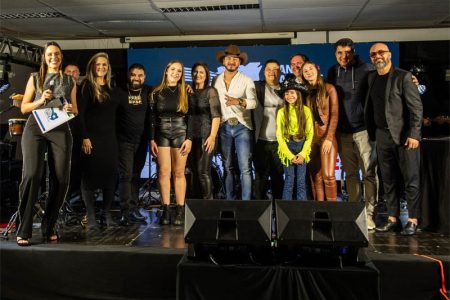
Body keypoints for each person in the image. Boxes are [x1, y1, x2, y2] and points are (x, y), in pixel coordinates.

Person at [16, 41, 77, 246]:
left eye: (57, 54)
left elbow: (74, 111)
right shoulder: (35, 78)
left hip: (60, 128)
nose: (54, 57)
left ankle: (48, 225)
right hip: (36, 127)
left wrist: (69, 107)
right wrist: (41, 100)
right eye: (50, 54)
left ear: (61, 57)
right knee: (32, 174)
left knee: (61, 180)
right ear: (44, 57)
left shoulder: (69, 80)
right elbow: (24, 108)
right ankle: (23, 228)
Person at [365, 43, 423, 236]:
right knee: (388, 179)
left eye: (381, 52)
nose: (377, 56)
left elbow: (416, 108)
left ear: (389, 55)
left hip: (405, 136)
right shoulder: (371, 77)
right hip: (381, 135)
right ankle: (393, 219)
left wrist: (414, 134)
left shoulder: (404, 77)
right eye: (373, 54)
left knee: (410, 179)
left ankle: (413, 220)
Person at [327, 38, 378, 229]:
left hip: (364, 130)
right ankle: (355, 213)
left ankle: (369, 214)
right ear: (335, 54)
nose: (344, 56)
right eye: (340, 53)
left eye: (347, 52)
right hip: (342, 132)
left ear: (353, 51)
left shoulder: (366, 69)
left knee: (369, 173)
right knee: (349, 175)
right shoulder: (333, 71)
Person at [78, 52, 121, 229]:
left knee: (110, 177)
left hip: (109, 139)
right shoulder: (86, 86)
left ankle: (106, 214)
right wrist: (85, 137)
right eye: (98, 65)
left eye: (104, 65)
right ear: (92, 67)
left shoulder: (112, 87)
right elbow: (80, 115)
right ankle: (91, 216)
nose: (101, 68)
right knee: (89, 178)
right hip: (92, 138)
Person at [150, 60, 192, 225]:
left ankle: (180, 211)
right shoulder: (156, 92)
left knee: (179, 173)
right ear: (166, 71)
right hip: (161, 133)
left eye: (179, 71)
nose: (176, 73)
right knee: (163, 172)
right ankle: (166, 209)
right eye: (173, 69)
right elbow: (152, 117)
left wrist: (189, 139)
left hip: (181, 132)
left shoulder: (186, 92)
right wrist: (151, 138)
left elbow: (192, 118)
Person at [213, 44, 257, 200]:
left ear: (240, 62)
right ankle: (230, 201)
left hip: (242, 127)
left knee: (245, 168)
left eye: (235, 59)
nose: (231, 61)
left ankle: (246, 203)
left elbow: (254, 103)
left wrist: (239, 101)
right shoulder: (216, 80)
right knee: (227, 167)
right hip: (223, 127)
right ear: (223, 61)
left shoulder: (247, 80)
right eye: (228, 58)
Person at [117, 63, 151, 226]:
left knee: (135, 176)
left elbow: (166, 88)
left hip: (141, 141)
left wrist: (187, 89)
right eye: (133, 75)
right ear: (128, 76)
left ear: (144, 77)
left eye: (139, 75)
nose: (136, 78)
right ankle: (125, 212)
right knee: (125, 175)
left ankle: (134, 209)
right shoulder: (120, 91)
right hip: (124, 141)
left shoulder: (148, 91)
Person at [302, 61, 339, 201]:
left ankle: (332, 211)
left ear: (317, 69)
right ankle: (319, 212)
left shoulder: (329, 88)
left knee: (328, 176)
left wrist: (329, 138)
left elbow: (334, 114)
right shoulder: (304, 91)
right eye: (305, 71)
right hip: (311, 139)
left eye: (310, 69)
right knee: (315, 177)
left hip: (326, 137)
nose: (308, 72)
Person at [275, 77, 314, 200]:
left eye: (292, 92)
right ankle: (285, 212)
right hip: (288, 147)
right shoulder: (281, 112)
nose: (289, 96)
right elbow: (279, 136)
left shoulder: (306, 111)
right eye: (286, 93)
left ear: (298, 94)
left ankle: (301, 213)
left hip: (302, 146)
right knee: (289, 180)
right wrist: (290, 155)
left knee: (301, 181)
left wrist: (302, 154)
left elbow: (310, 134)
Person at [188, 62, 221, 200]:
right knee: (194, 171)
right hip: (190, 137)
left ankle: (209, 204)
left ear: (206, 75)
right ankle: (195, 205)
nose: (198, 74)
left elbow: (216, 116)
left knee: (203, 171)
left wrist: (212, 137)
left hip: (206, 136)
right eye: (195, 71)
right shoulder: (188, 92)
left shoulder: (211, 91)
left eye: (201, 72)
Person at [252, 59, 284, 200]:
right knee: (260, 176)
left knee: (278, 175)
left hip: (280, 141)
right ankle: (259, 209)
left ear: (280, 72)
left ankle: (279, 209)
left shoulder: (286, 90)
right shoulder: (256, 87)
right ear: (263, 72)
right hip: (261, 140)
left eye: (276, 69)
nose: (272, 72)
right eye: (269, 69)